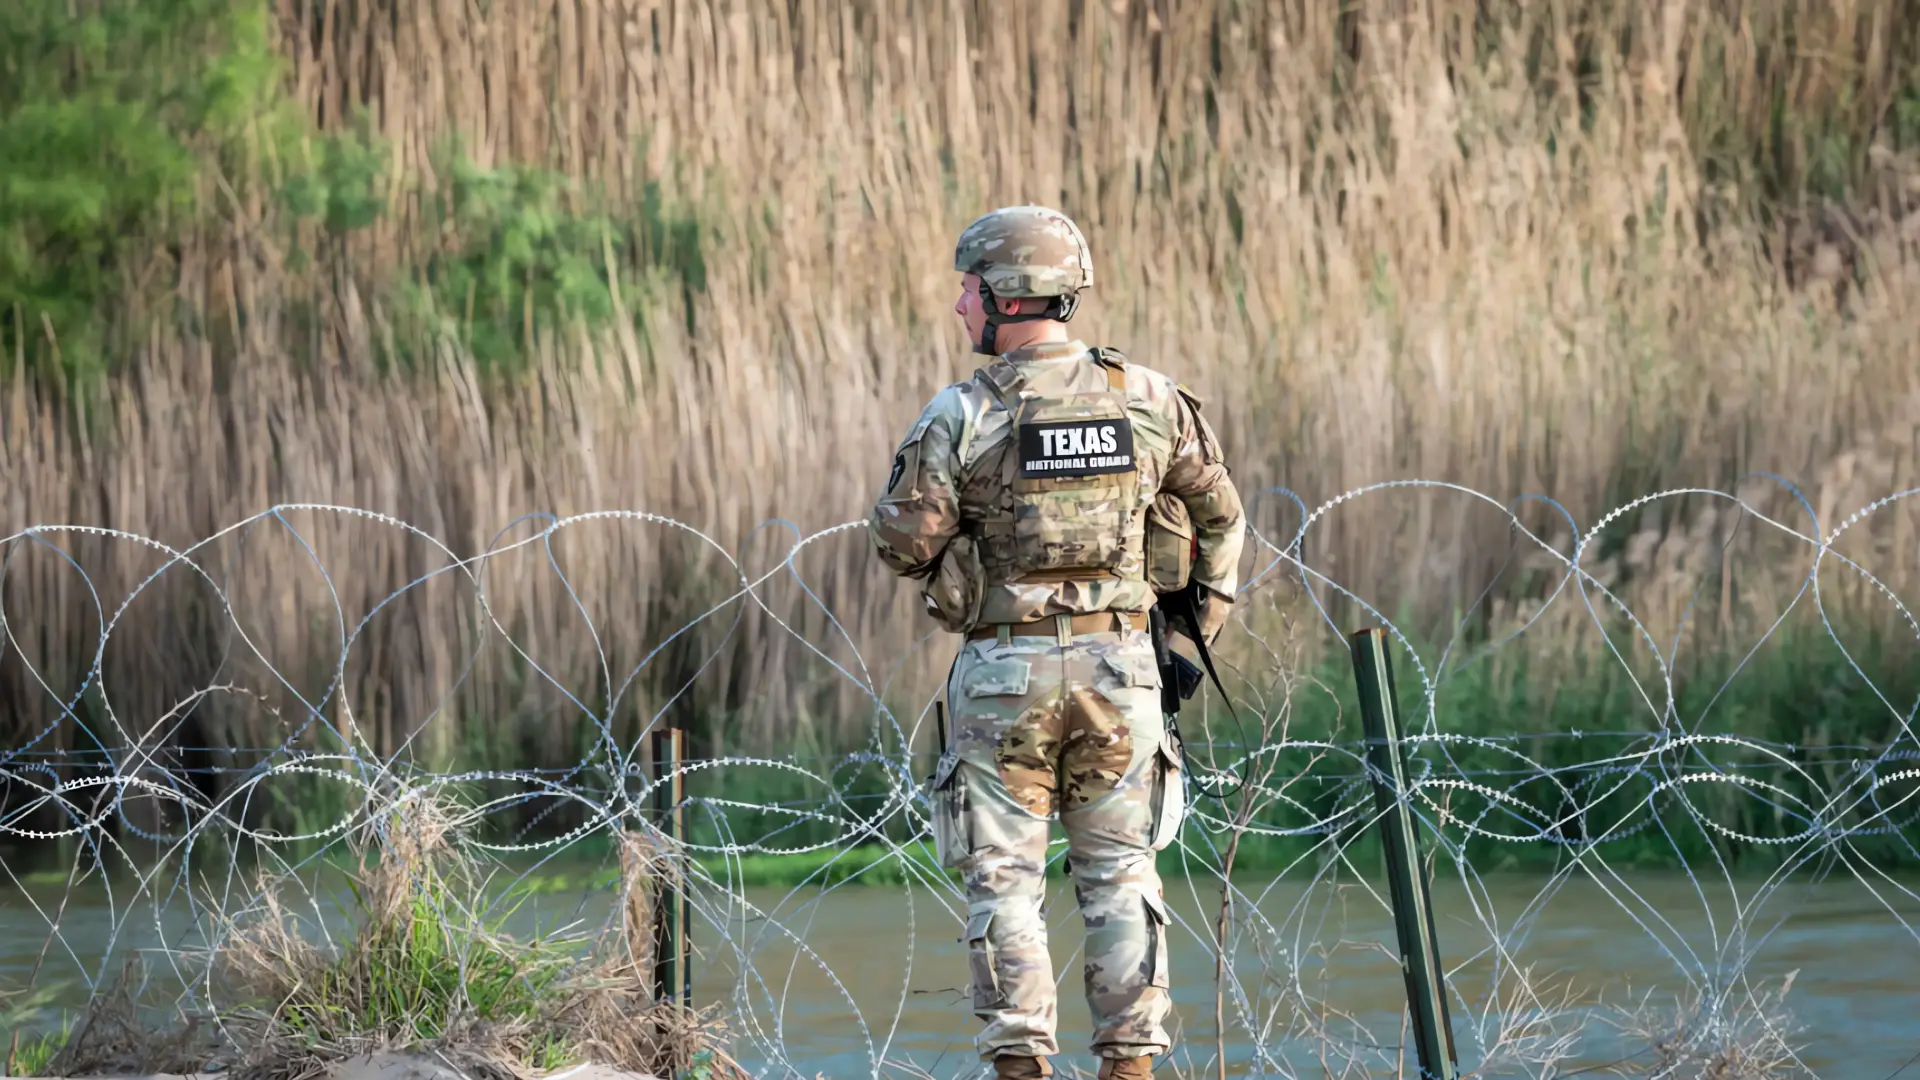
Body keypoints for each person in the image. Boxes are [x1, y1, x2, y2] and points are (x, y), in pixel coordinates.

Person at [867, 205, 1247, 1080]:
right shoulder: (1147, 399)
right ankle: (1132, 1067)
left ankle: (1020, 1064)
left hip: (1006, 675)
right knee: (1121, 879)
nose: (960, 306)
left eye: (968, 289)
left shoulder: (963, 412)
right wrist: (1194, 632)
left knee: (1005, 886)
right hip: (1123, 670)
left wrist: (960, 540)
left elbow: (901, 541)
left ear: (1005, 296)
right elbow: (1220, 513)